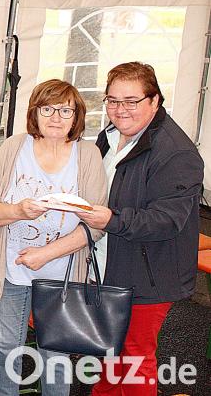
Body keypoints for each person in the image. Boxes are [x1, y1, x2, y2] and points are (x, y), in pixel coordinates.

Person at [0, 79, 107, 396]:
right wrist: (18, 211)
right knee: (7, 346)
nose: (56, 117)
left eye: (65, 110)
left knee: (56, 353)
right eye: (47, 108)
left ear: (77, 116)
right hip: (11, 269)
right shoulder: (13, 148)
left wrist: (45, 254)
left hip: (62, 274)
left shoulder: (87, 155)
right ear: (35, 112)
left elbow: (96, 225)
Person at [79, 62, 203, 396]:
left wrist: (111, 220)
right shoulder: (109, 135)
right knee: (109, 354)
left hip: (148, 275)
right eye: (112, 100)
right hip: (109, 264)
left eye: (131, 101)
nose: (120, 110)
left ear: (155, 100)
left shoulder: (176, 153)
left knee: (134, 360)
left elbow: (166, 219)